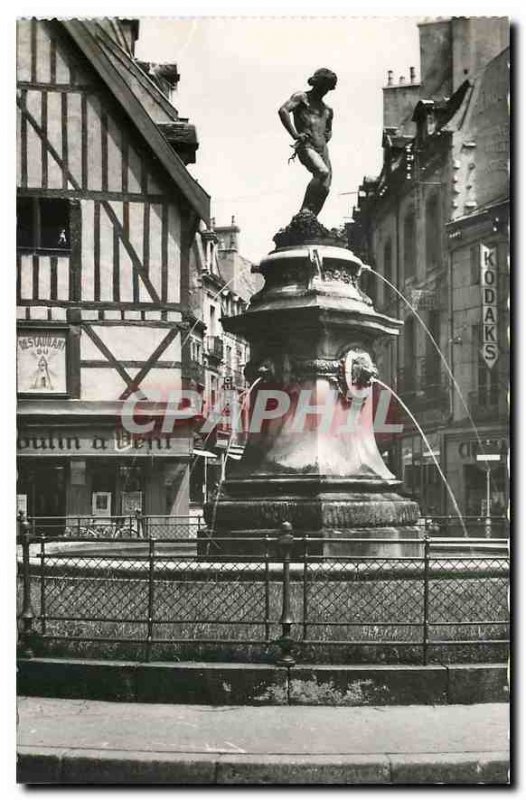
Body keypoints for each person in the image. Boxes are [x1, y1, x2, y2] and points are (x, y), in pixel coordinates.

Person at [278, 68, 337, 217]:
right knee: (322, 172)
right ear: (316, 83)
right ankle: (304, 211)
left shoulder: (328, 110)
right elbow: (283, 110)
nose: (325, 91)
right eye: (323, 86)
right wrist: (295, 134)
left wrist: (324, 136)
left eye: (328, 88)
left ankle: (311, 219)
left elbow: (328, 131)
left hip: (322, 149)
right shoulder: (301, 97)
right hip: (306, 146)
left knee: (325, 188)